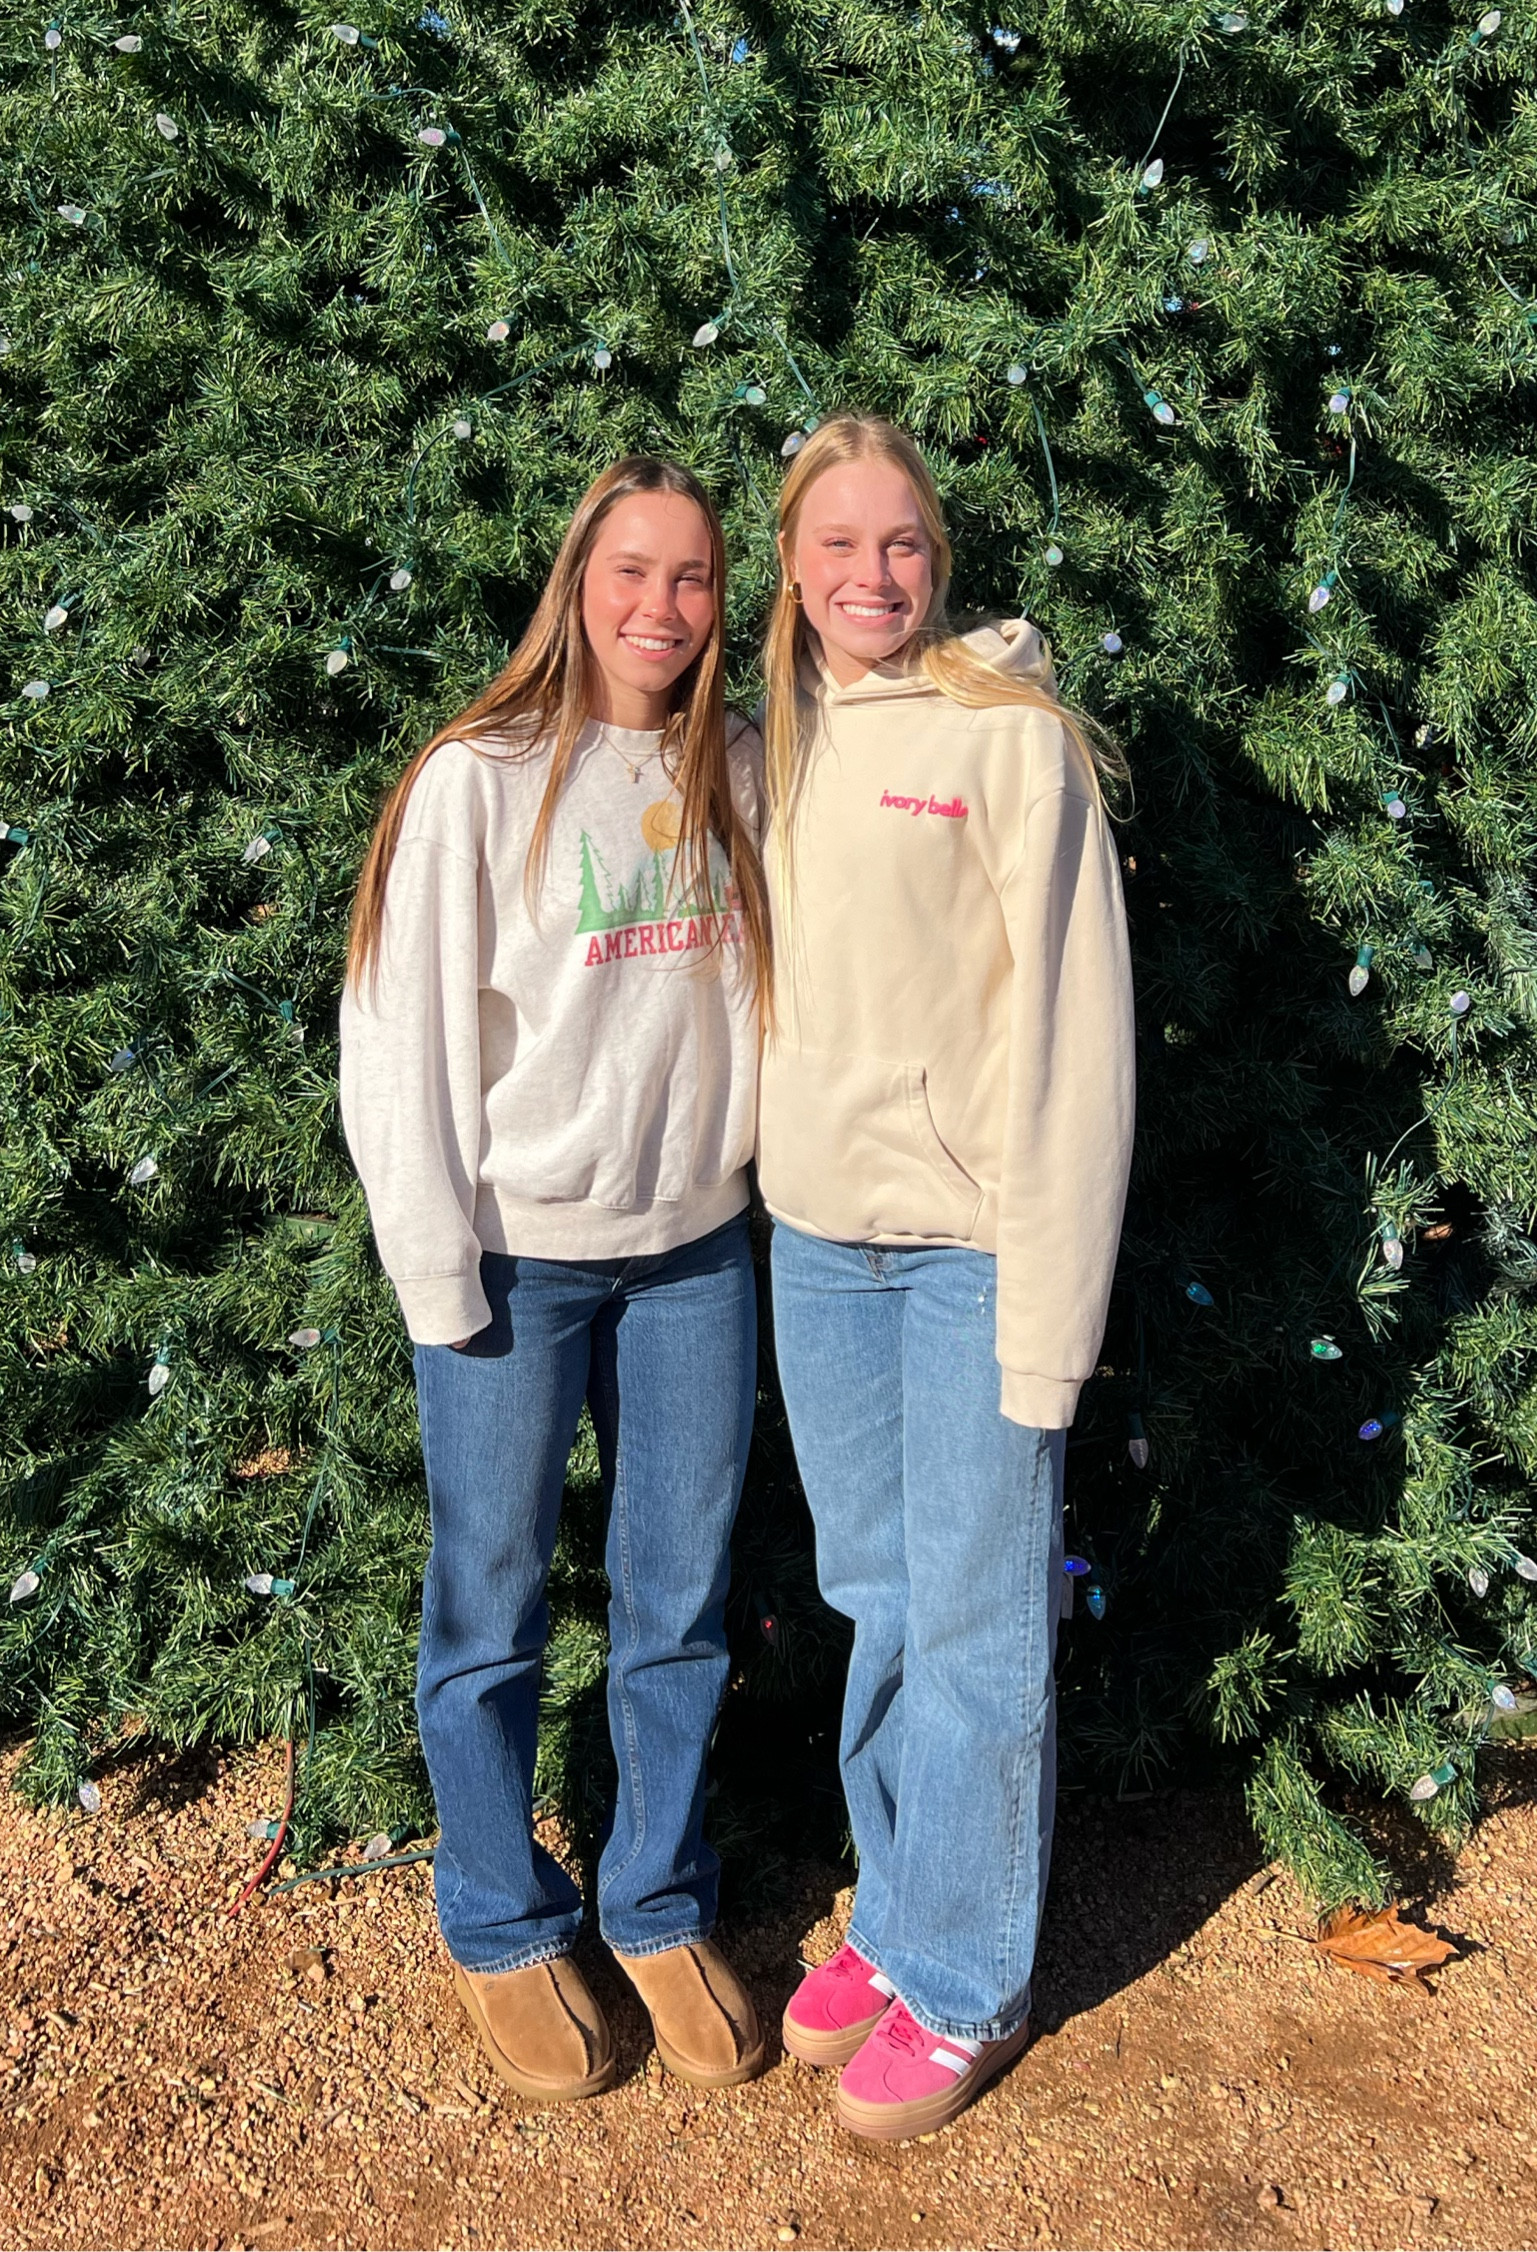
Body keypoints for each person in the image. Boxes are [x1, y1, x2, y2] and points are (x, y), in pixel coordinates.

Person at [339, 457, 771, 2105]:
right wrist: (436, 1272)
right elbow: (398, 1040)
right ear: (575, 578)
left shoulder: (736, 769)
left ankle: (654, 1900)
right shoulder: (478, 777)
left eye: (695, 580)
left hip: (691, 1259)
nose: (660, 608)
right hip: (519, 1260)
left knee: (676, 1606)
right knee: (491, 1604)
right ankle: (495, 1916)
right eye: (632, 571)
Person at [758, 415, 1135, 2141]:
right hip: (818, 1248)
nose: (869, 575)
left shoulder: (1011, 742)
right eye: (835, 544)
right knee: (880, 1598)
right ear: (790, 563)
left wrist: (1050, 1324)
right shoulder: (776, 727)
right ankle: (897, 1915)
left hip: (970, 1254)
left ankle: (966, 1982)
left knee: (980, 1626)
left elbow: (1074, 1043)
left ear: (942, 556)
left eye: (898, 542)